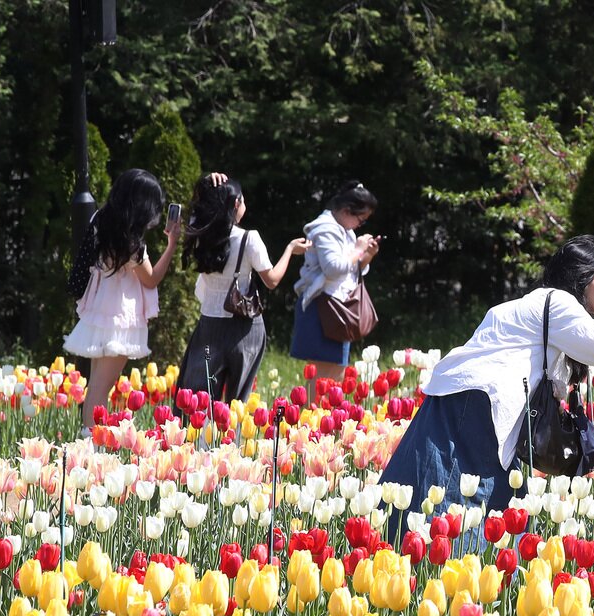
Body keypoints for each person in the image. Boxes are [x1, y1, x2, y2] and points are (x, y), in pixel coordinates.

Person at [381, 234, 594, 536]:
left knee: (446, 492)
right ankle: (449, 570)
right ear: (583, 277)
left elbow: (584, 339)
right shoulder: (559, 304)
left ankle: (427, 563)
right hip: (476, 410)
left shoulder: (542, 302)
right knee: (455, 502)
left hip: (461, 401)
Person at [64, 168, 181, 430]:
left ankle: (89, 441)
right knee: (100, 387)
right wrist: (172, 243)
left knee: (96, 383)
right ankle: (91, 445)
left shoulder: (101, 220)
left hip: (100, 310)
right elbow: (151, 278)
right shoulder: (130, 243)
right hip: (120, 316)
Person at [177, 173, 310, 403]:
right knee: (236, 402)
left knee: (199, 400)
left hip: (209, 325)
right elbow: (272, 280)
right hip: (245, 328)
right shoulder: (250, 239)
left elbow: (195, 207)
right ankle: (233, 440)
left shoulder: (199, 233)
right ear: (236, 203)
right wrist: (290, 249)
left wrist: (206, 182)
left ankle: (199, 441)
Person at [290, 181, 380, 381]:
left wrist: (368, 255)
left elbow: (352, 270)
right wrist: (358, 249)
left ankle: (326, 414)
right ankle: (311, 413)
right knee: (320, 380)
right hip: (323, 308)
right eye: (361, 219)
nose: (360, 225)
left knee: (335, 379)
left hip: (338, 309)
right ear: (347, 211)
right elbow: (333, 269)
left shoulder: (345, 229)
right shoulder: (324, 229)